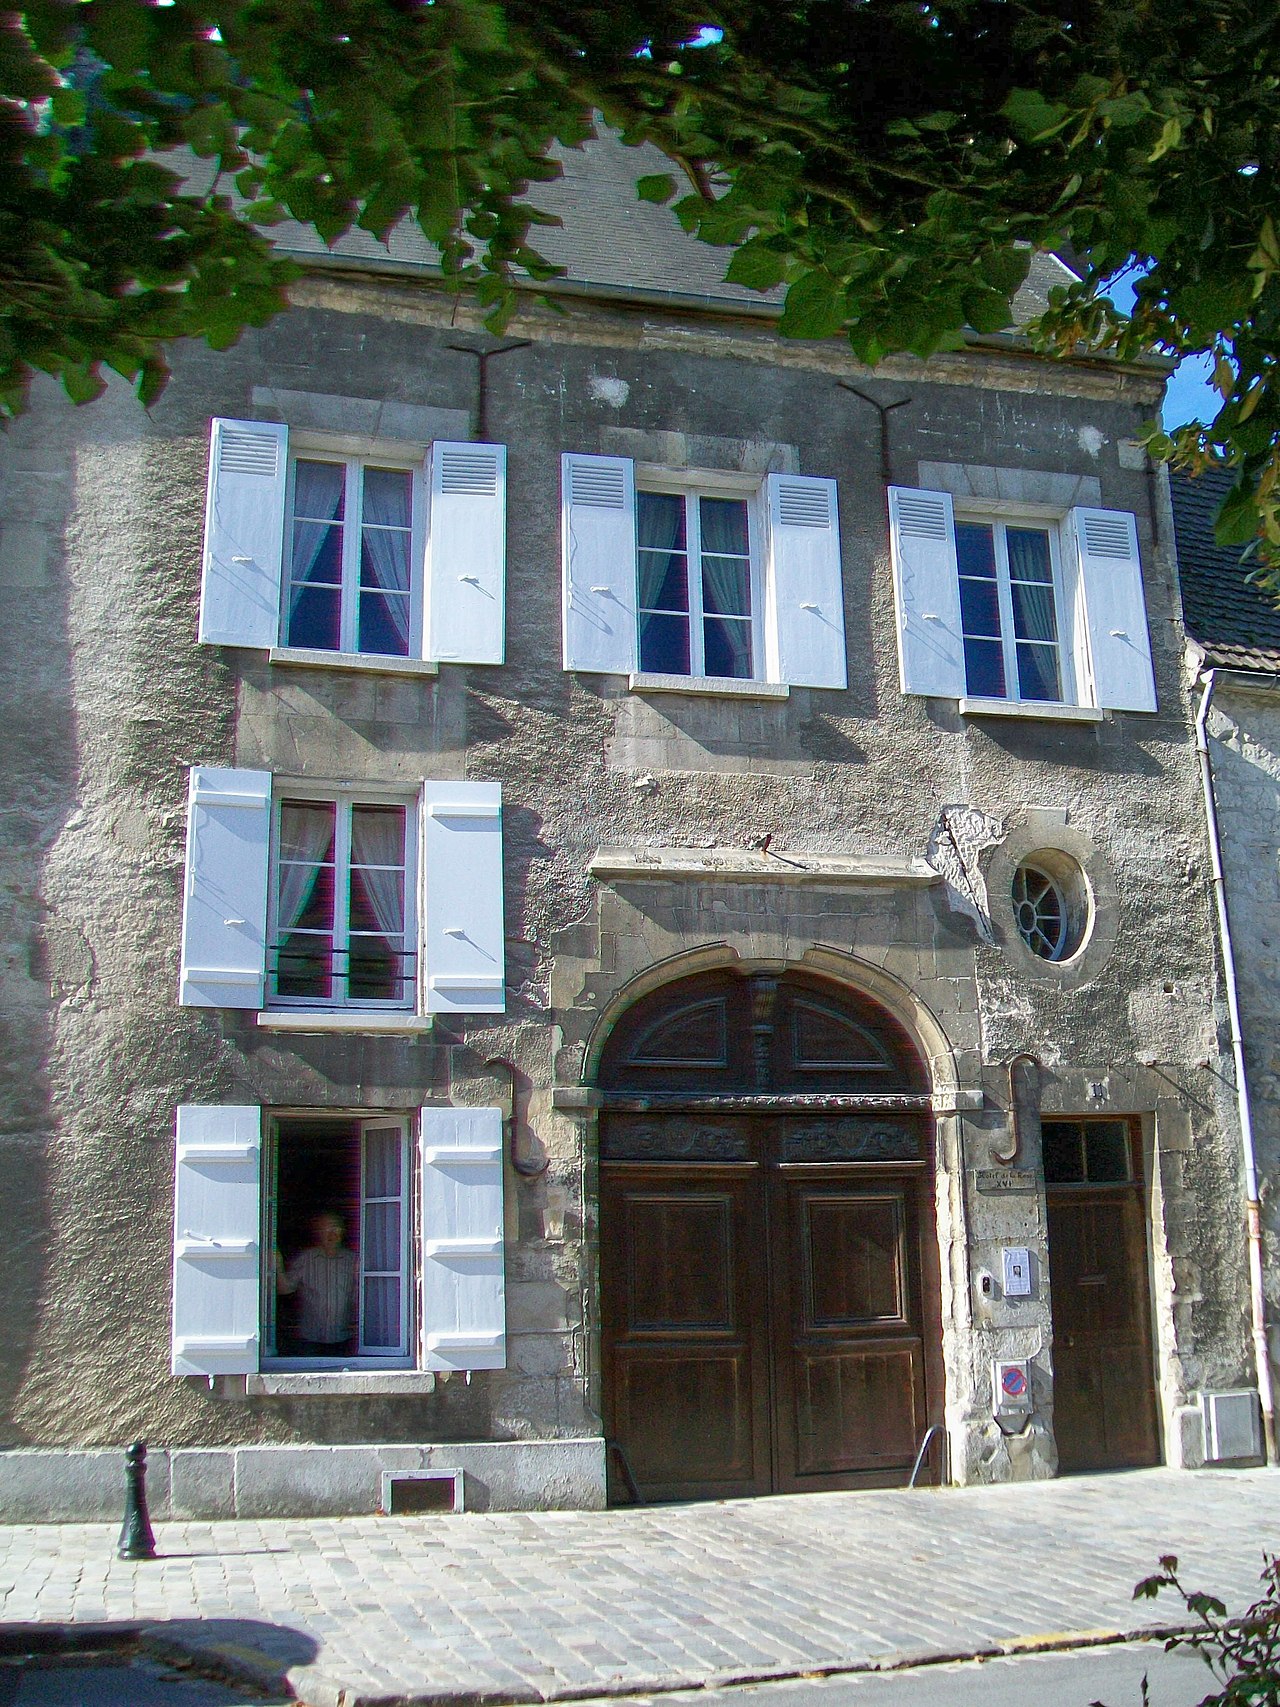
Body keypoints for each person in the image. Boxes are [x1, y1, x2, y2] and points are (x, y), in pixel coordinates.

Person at [275, 1212, 358, 1356]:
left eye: (336, 1228)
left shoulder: (353, 1261)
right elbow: (285, 1288)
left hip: (344, 1338)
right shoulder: (305, 1259)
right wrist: (277, 1264)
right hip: (310, 1339)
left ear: (343, 1232)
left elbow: (362, 1297)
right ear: (318, 1233)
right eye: (327, 1228)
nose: (332, 1233)